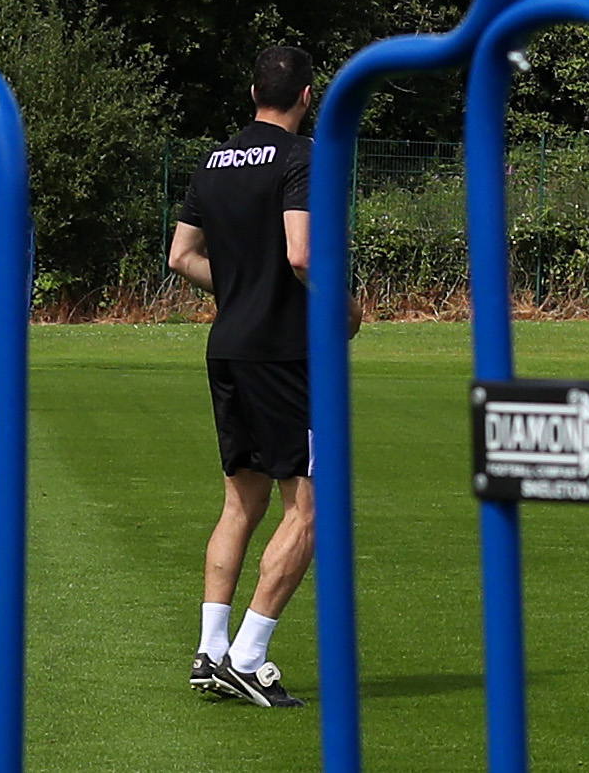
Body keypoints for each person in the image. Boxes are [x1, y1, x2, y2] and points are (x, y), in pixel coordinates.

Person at [168, 44, 358, 708]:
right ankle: (248, 656)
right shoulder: (301, 158)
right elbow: (303, 251)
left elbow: (179, 254)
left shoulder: (215, 159)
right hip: (282, 353)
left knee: (239, 503)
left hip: (227, 347)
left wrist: (243, 284)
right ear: (308, 95)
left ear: (254, 90)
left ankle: (210, 650)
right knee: (310, 509)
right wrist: (342, 305)